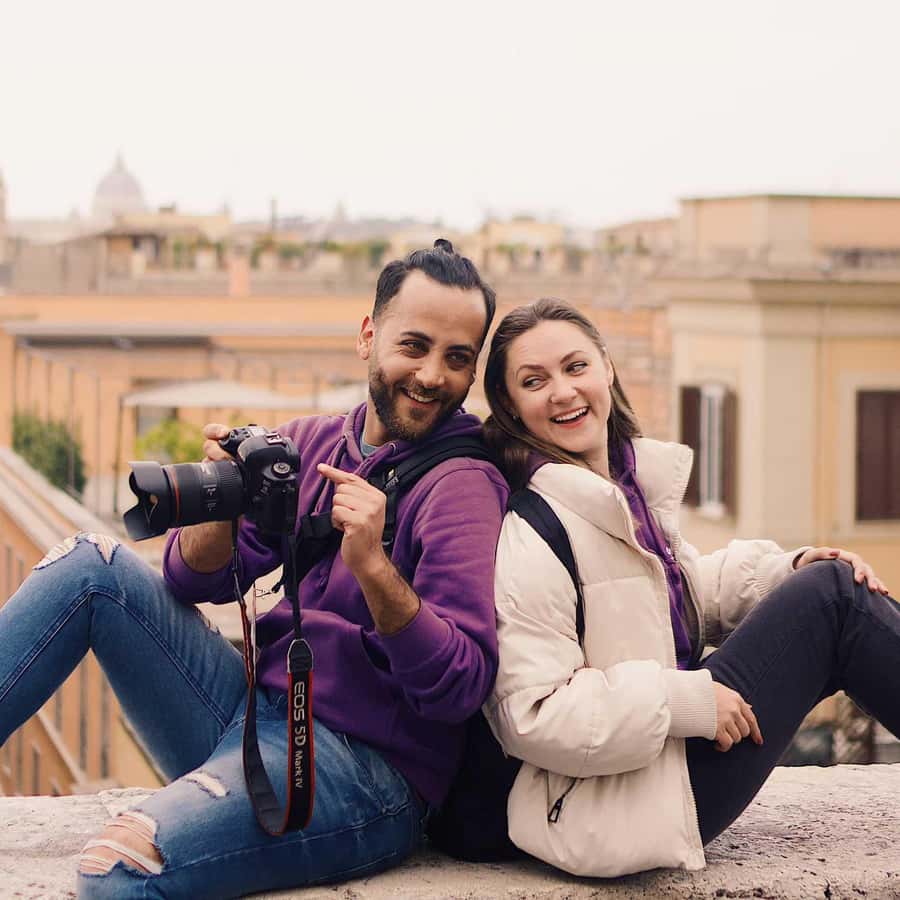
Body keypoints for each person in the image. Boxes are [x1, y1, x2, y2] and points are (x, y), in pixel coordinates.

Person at [0, 240, 508, 898]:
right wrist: (222, 497)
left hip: (359, 772)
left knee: (124, 863)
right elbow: (191, 582)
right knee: (91, 566)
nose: (433, 375)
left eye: (457, 358)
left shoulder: (462, 484)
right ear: (368, 336)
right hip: (253, 716)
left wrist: (377, 571)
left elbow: (459, 687)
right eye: (415, 345)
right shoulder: (319, 441)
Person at [480, 297, 894, 878]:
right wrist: (685, 700)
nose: (563, 392)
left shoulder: (619, 490)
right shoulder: (532, 531)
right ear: (513, 409)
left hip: (661, 766)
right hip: (626, 799)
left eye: (576, 367)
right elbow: (533, 714)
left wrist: (785, 569)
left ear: (606, 367)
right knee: (834, 598)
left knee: (824, 585)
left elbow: (671, 592)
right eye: (534, 381)